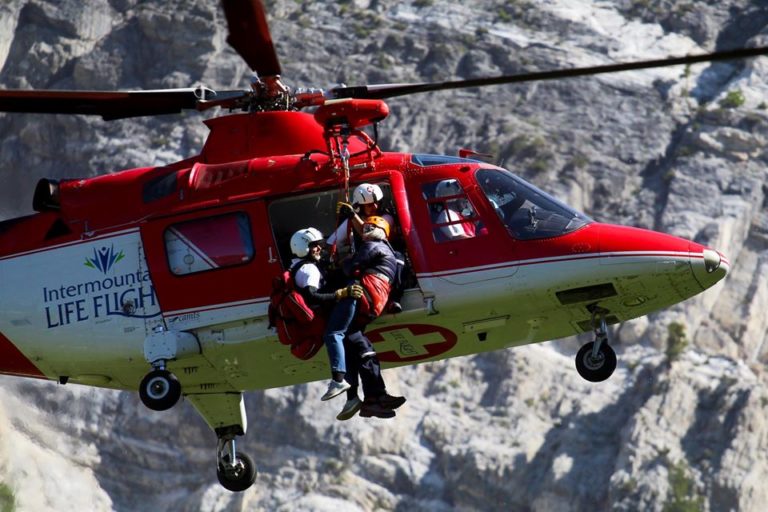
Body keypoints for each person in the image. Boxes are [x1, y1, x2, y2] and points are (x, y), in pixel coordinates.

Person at [334, 216, 406, 420]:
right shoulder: (391, 252)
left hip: (363, 299)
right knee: (362, 350)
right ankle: (375, 397)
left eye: (370, 227)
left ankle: (366, 398)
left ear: (380, 231)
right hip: (375, 303)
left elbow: (351, 267)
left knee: (358, 348)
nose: (365, 229)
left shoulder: (373, 246)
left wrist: (344, 262)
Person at [288, 228, 363, 402]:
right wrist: (340, 294)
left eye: (319, 245)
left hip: (340, 304)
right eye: (314, 246)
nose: (319, 249)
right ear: (303, 247)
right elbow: (312, 295)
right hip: (340, 302)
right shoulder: (308, 269)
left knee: (337, 336)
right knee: (335, 335)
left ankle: (345, 388)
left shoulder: (301, 267)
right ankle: (343, 385)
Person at [327, 183, 394, 259]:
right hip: (362, 264)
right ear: (360, 207)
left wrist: (353, 215)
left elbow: (371, 235)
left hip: (385, 261)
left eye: (377, 202)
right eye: (370, 205)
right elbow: (331, 243)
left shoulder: (387, 217)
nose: (375, 206)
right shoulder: (351, 221)